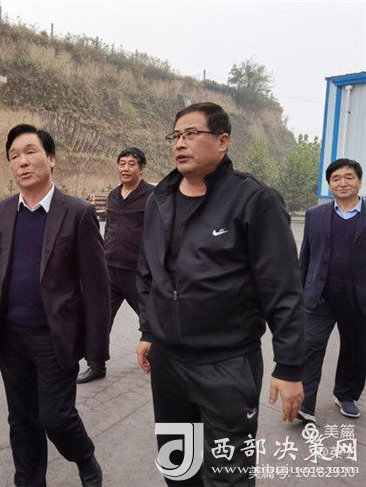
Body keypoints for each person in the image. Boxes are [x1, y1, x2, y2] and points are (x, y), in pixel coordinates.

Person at [135, 102, 304, 486]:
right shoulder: (159, 200)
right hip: (169, 364)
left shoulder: (253, 200)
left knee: (229, 475)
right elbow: (148, 271)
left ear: (222, 141)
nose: (180, 143)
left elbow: (282, 287)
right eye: (176, 136)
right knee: (179, 467)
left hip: (227, 364)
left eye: (192, 134)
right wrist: (148, 330)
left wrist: (290, 366)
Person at [0, 124, 110, 487]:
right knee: (21, 420)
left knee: (56, 417)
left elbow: (97, 288)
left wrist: (96, 349)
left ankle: (84, 456)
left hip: (54, 336)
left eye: (30, 152)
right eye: (14, 156)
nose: (22, 162)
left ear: (51, 159)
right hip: (11, 337)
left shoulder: (77, 212)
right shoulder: (2, 212)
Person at [77, 147, 154, 384]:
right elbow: (109, 227)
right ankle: (96, 364)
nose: (125, 168)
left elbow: (158, 232)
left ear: (141, 168)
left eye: (131, 164)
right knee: (100, 318)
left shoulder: (153, 196)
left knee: (151, 318)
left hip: (138, 271)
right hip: (109, 268)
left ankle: (162, 359)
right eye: (122, 163)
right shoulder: (113, 195)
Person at [298, 158, 366, 422]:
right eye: (336, 178)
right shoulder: (315, 215)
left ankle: (346, 395)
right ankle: (305, 404)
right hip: (320, 296)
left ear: (359, 182)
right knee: (311, 345)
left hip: (358, 299)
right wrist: (299, 293)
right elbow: (306, 256)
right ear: (329, 184)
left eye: (349, 177)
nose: (342, 183)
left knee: (356, 348)